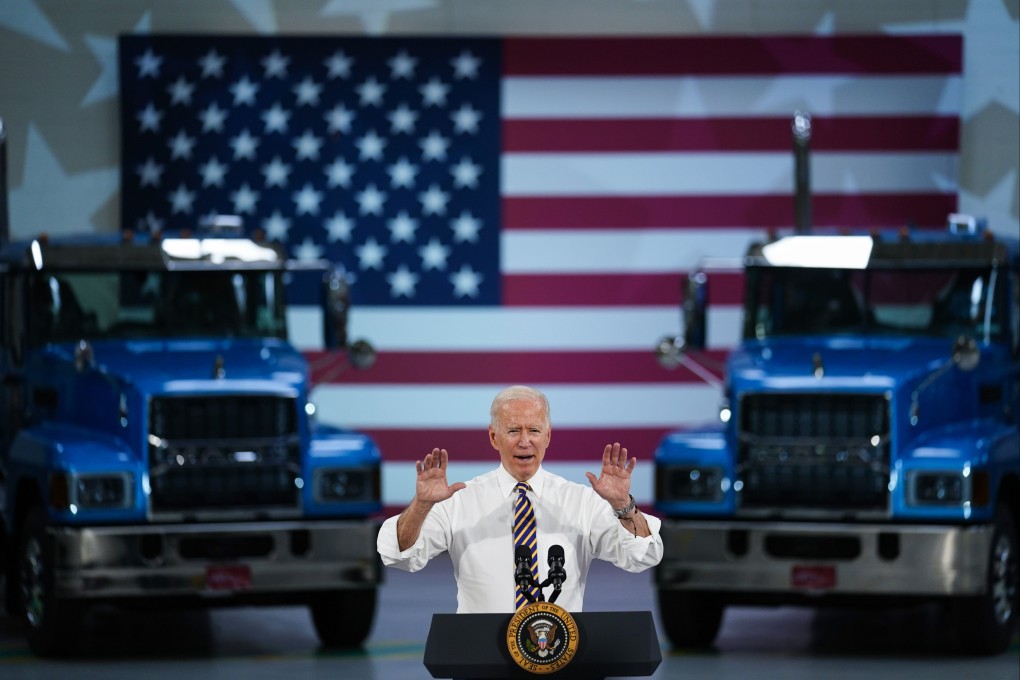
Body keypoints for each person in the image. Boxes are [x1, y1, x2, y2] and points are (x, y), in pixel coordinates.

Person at [376, 385, 663, 613]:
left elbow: (643, 556)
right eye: (513, 430)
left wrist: (623, 506)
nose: (525, 441)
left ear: (548, 436)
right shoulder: (459, 501)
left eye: (534, 430)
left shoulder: (582, 502)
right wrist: (422, 505)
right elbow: (399, 554)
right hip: (481, 661)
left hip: (560, 658)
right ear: (493, 437)